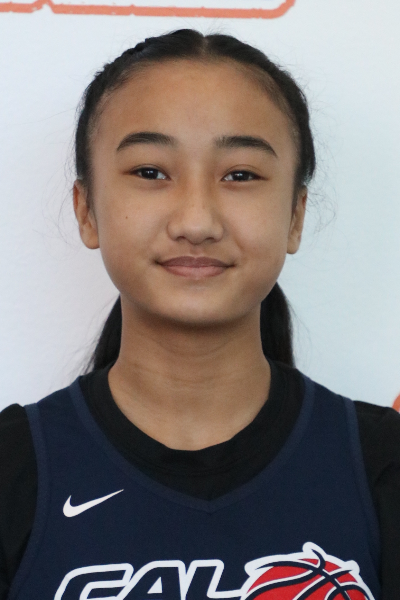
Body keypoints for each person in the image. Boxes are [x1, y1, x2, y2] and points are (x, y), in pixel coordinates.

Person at [0, 28, 399, 600]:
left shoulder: (382, 463)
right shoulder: (13, 468)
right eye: (151, 172)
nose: (196, 220)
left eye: (240, 175)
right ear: (86, 210)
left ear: (295, 215)